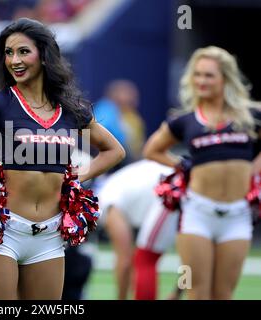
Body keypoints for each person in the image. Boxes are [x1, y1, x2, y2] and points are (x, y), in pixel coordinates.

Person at [0, 17, 125, 300]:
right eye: (8, 52)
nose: (14, 60)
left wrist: (78, 177)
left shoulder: (70, 109)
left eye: (23, 51)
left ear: (44, 55)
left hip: (50, 235)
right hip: (4, 230)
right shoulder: (0, 104)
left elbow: (114, 151)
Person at [143, 46, 261, 300]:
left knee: (223, 294)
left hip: (237, 216)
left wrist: (255, 168)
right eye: (197, 75)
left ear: (225, 78)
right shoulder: (185, 119)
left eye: (209, 75)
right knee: (198, 293)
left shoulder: (251, 114)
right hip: (198, 214)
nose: (201, 81)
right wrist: (180, 164)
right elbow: (152, 150)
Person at [97, 159, 178, 300]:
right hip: (188, 184)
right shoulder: (115, 188)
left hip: (173, 189)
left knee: (144, 260)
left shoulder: (107, 201)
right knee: (195, 256)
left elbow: (125, 261)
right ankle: (178, 294)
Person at [108, 80, 146, 161]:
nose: (130, 96)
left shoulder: (135, 118)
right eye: (125, 93)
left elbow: (138, 145)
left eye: (131, 93)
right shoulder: (107, 112)